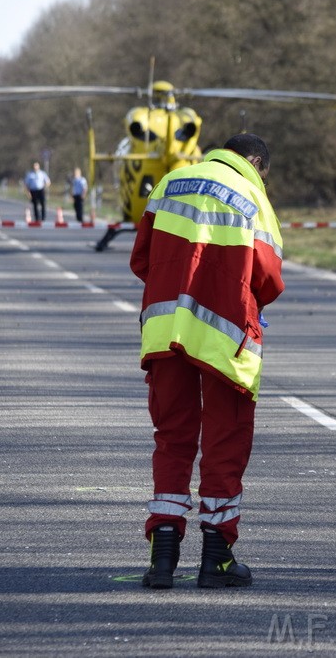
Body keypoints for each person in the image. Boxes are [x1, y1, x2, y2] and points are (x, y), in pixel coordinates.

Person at [129, 133, 284, 590]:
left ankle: (162, 558)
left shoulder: (171, 181)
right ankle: (216, 557)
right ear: (256, 162)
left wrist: (178, 287)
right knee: (224, 443)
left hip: (165, 330)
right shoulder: (253, 195)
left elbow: (142, 259)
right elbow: (269, 278)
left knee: (172, 440)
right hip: (224, 339)